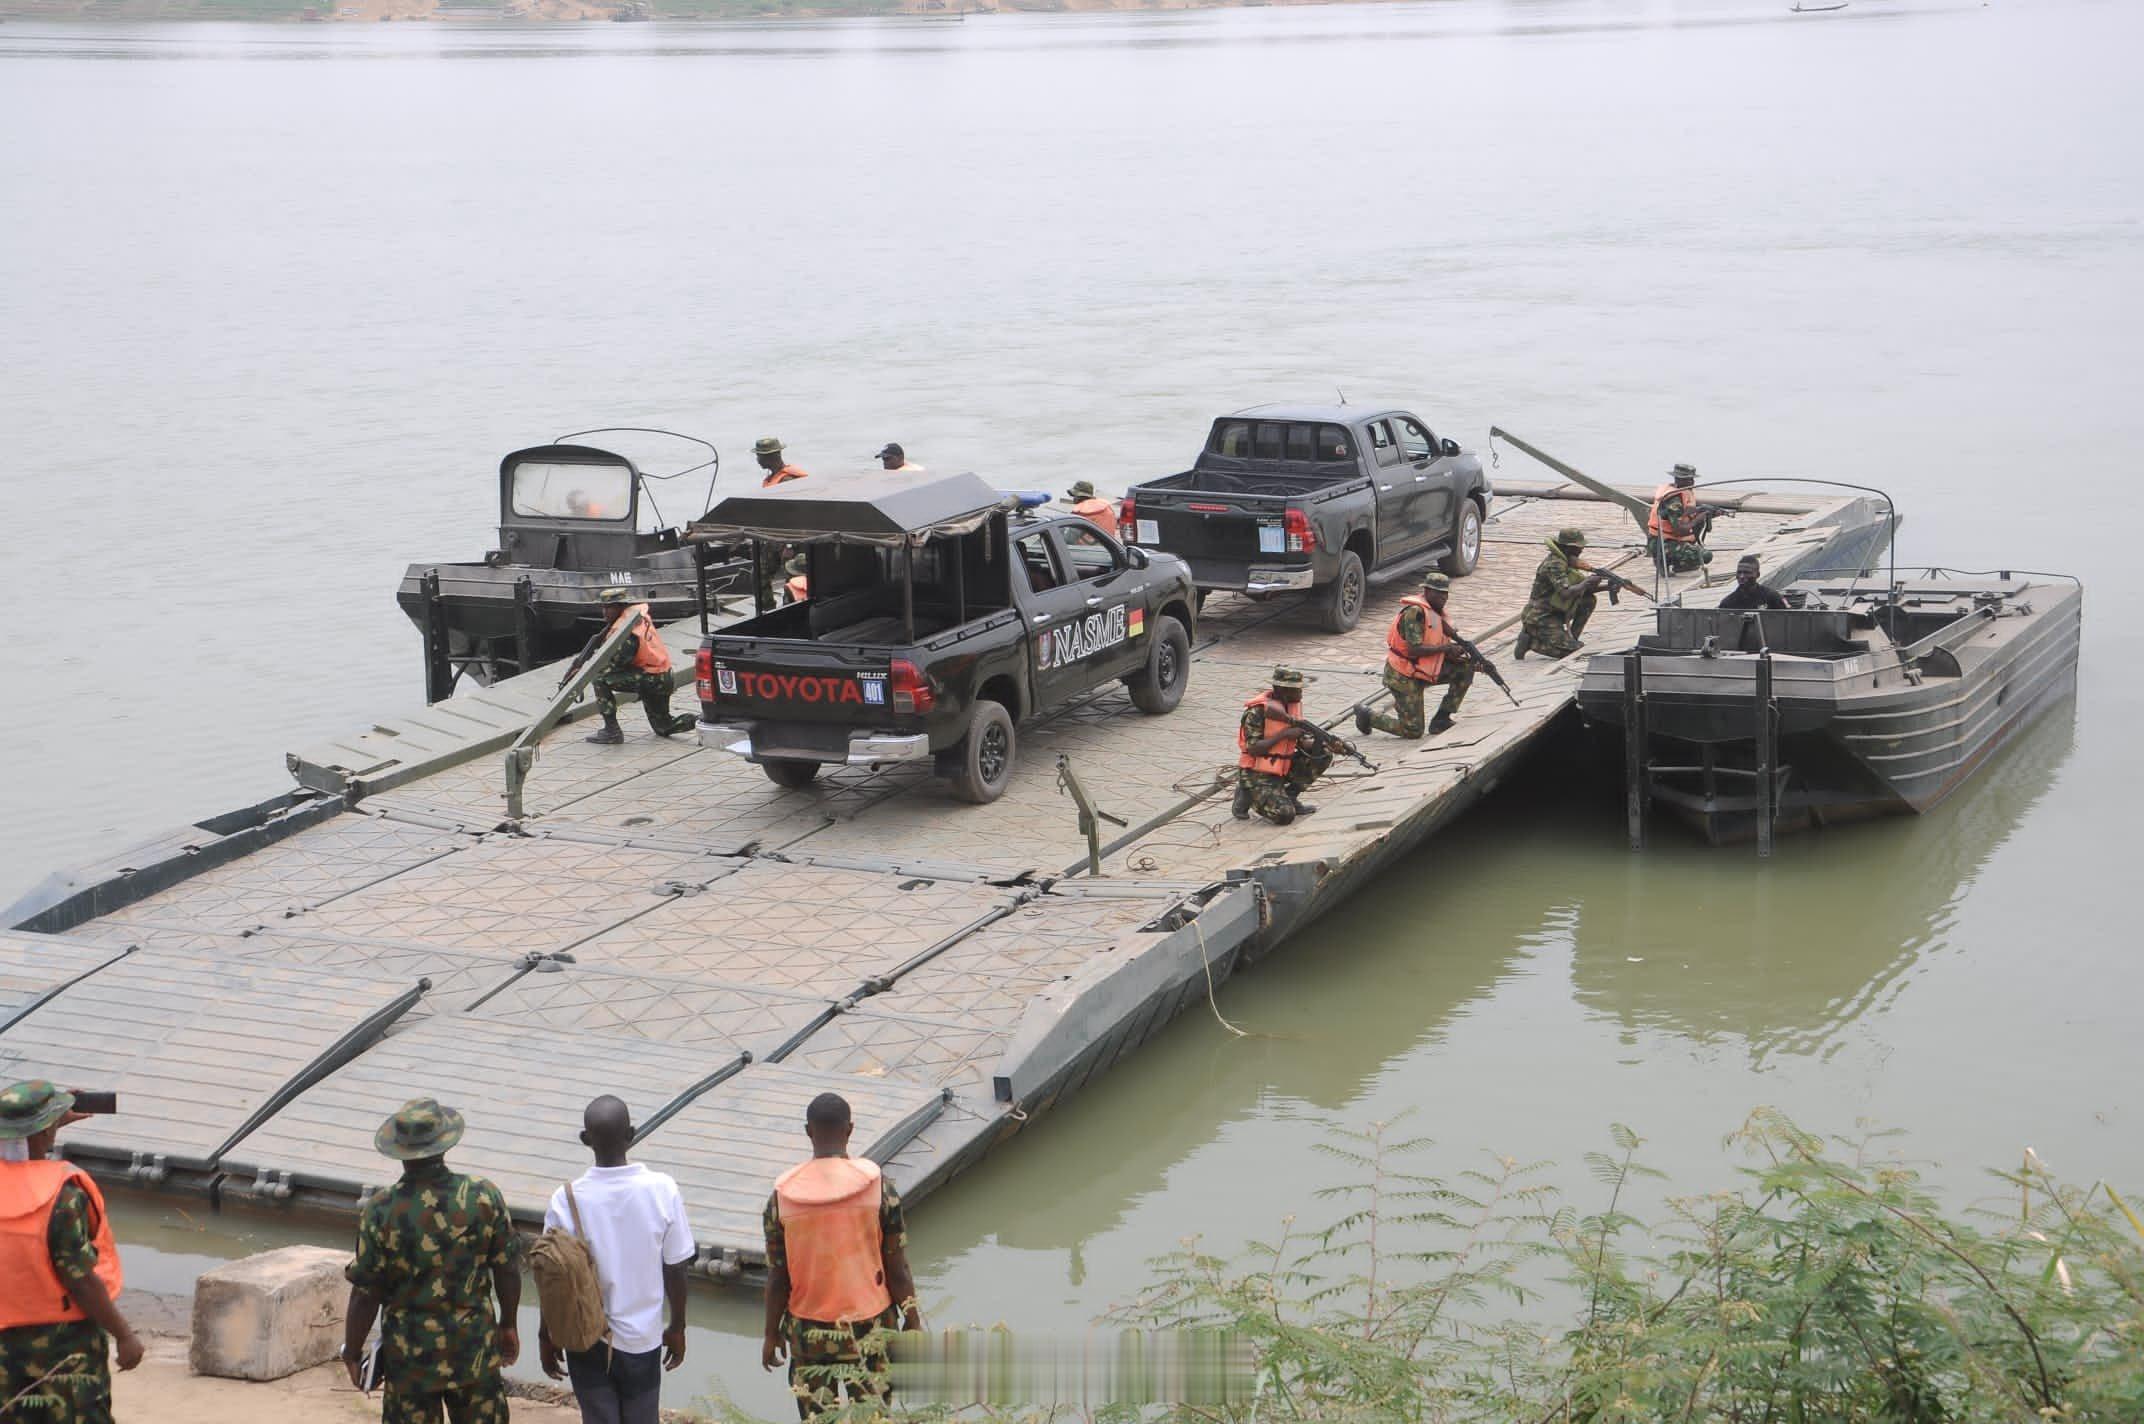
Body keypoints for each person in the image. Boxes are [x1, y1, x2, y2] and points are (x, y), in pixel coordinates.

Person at [341, 1097, 521, 1424]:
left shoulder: (381, 1210)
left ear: (399, 1150)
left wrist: (352, 1352)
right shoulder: (483, 1196)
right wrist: (508, 1323)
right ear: (444, 1144)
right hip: (474, 1351)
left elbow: (366, 1293)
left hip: (410, 1361)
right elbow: (507, 1267)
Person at [761, 1093, 921, 1421]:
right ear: (850, 1130)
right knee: (873, 1416)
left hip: (809, 1333)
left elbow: (778, 1277)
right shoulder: (880, 1190)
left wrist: (770, 1332)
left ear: (809, 1131)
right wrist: (913, 1320)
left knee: (819, 1418)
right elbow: (898, 1269)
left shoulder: (781, 1199)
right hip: (872, 1328)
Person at [539, 1097, 693, 1424]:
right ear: (632, 1134)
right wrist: (677, 1326)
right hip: (642, 1339)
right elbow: (676, 1268)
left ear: (585, 1139)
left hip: (586, 1336)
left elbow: (552, 1276)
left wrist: (547, 1334)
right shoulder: (662, 1190)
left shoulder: (565, 1198)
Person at [0, 1081, 142, 1424]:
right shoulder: (61, 1195)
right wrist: (123, 1335)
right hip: (65, 1345)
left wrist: (45, 1126)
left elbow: (17, 1149)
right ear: (46, 1129)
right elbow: (80, 1280)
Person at [1356, 571, 1474, 740]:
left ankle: (1442, 719)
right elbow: (1414, 649)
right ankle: (1368, 716)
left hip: (1423, 670)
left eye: (1445, 593)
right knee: (1413, 731)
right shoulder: (1415, 613)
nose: (1442, 597)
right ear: (1426, 592)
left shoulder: (1436, 613)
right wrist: (1446, 649)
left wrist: (1460, 656)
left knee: (1465, 669)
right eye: (1437, 592)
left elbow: (1435, 644)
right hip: (1403, 675)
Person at [565, 588, 692, 745]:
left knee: (599, 679)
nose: (604, 612)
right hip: (662, 676)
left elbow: (614, 665)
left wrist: (584, 670)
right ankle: (703, 721)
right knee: (663, 727)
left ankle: (612, 731)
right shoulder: (635, 617)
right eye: (603, 607)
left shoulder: (626, 633)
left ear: (620, 607)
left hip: (651, 678)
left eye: (608, 608)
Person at [1232, 666, 1331, 825]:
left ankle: (1290, 796)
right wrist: (1284, 734)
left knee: (1323, 753)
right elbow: (1253, 748)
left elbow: (1300, 743)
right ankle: (1247, 793)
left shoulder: (1290, 707)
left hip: (1281, 767)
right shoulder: (1257, 712)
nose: (1301, 694)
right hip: (1257, 773)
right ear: (1281, 690)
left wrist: (1320, 744)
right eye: (1296, 690)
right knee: (1285, 815)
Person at [1515, 527, 1609, 661]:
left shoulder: (1566, 561)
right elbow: (1565, 593)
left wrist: (1606, 587)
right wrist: (1587, 582)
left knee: (1588, 600)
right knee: (1575, 653)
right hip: (1541, 616)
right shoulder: (1555, 564)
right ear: (1568, 547)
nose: (1581, 550)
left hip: (1557, 610)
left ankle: (1571, 640)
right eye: (1579, 547)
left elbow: (1581, 590)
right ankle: (1531, 642)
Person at [1646, 463, 1713, 573]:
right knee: (1705, 555)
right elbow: (1679, 531)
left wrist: (1708, 513)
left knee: (1694, 549)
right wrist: (1698, 520)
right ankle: (1663, 560)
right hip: (1662, 543)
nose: (1692, 482)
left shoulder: (1682, 492)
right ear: (1678, 479)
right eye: (1688, 479)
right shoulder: (1673, 500)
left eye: (1692, 479)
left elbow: (1686, 513)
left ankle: (1679, 564)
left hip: (1671, 539)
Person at [1719, 554, 1789, 610]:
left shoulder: (1772, 597)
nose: (1741, 576)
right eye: (1739, 572)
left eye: (1747, 573)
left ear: (1757, 575)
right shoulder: (1728, 603)